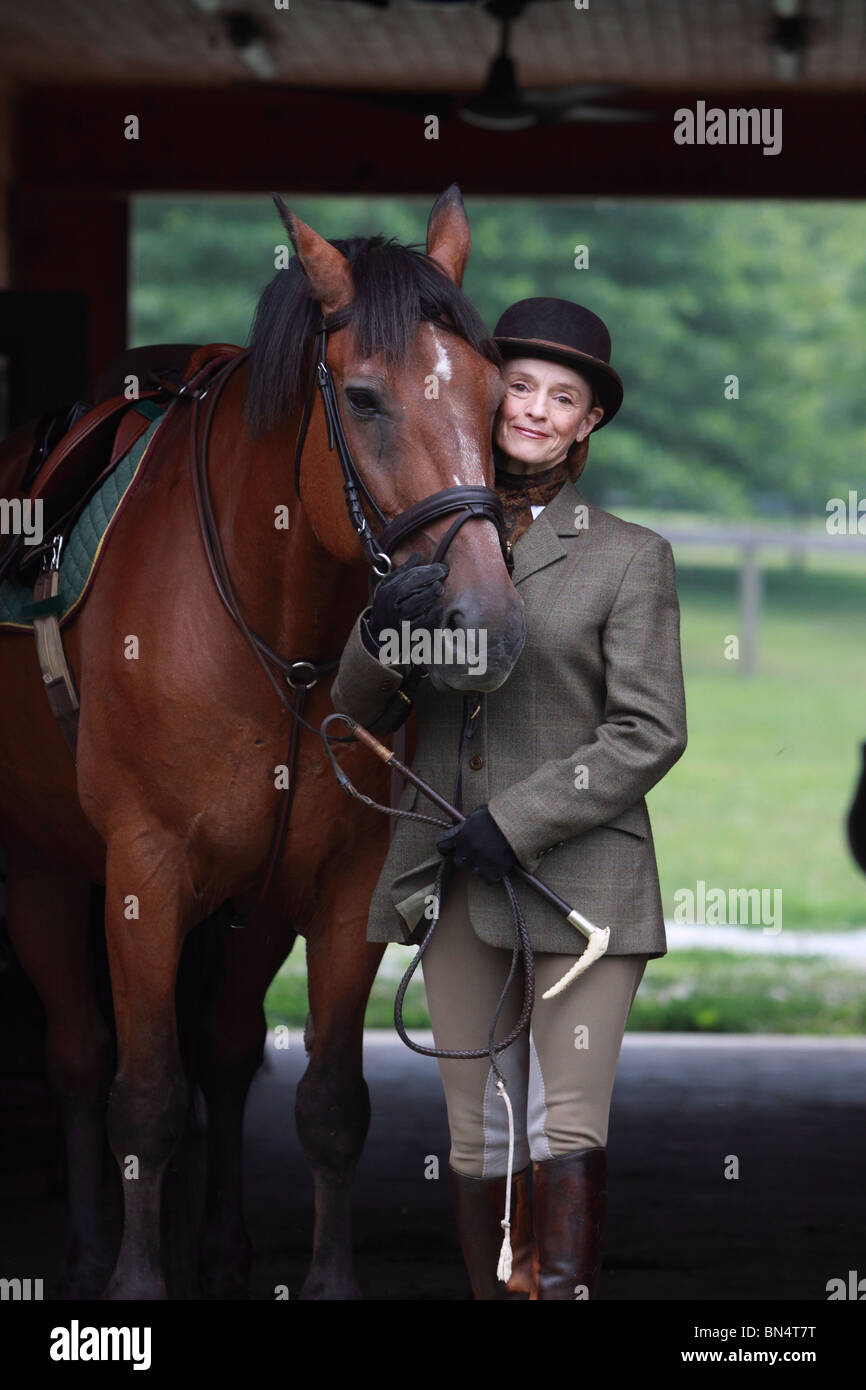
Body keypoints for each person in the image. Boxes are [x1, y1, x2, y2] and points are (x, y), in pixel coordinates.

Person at [330, 298, 687, 1300]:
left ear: (587, 424)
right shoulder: (427, 544)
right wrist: (378, 629)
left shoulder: (627, 556)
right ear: (488, 401)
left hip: (582, 888)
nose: (534, 409)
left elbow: (648, 730)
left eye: (560, 398)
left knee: (560, 1126)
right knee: (475, 1131)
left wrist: (517, 820)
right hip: (452, 880)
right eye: (519, 387)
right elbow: (356, 710)